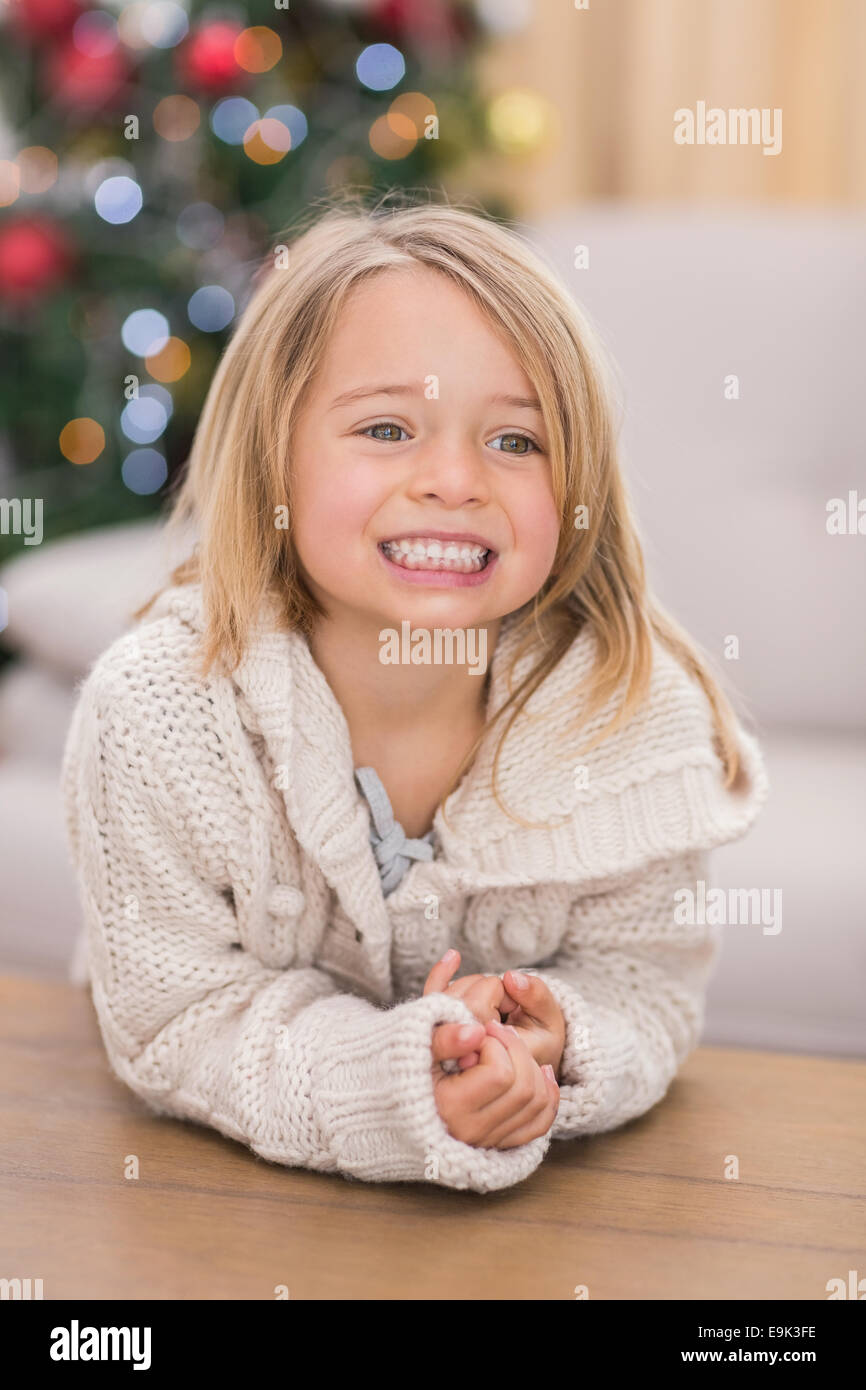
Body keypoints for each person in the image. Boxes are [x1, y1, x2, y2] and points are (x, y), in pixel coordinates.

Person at [60, 195, 768, 1193]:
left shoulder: (627, 714)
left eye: (514, 442)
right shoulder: (156, 711)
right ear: (274, 457)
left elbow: (643, 984)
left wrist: (563, 1045)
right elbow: (182, 1019)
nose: (451, 479)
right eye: (387, 428)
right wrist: (401, 1086)